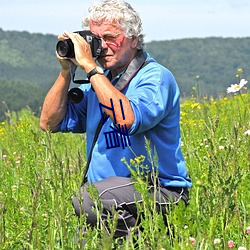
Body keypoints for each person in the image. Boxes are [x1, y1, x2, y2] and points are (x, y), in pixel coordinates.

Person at [40, 0, 192, 244]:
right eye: (96, 39)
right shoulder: (98, 84)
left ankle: (145, 241)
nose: (102, 47)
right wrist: (66, 70)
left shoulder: (154, 77)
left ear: (133, 39)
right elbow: (49, 123)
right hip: (110, 200)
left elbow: (126, 120)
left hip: (160, 192)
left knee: (88, 199)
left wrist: (90, 67)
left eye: (110, 37)